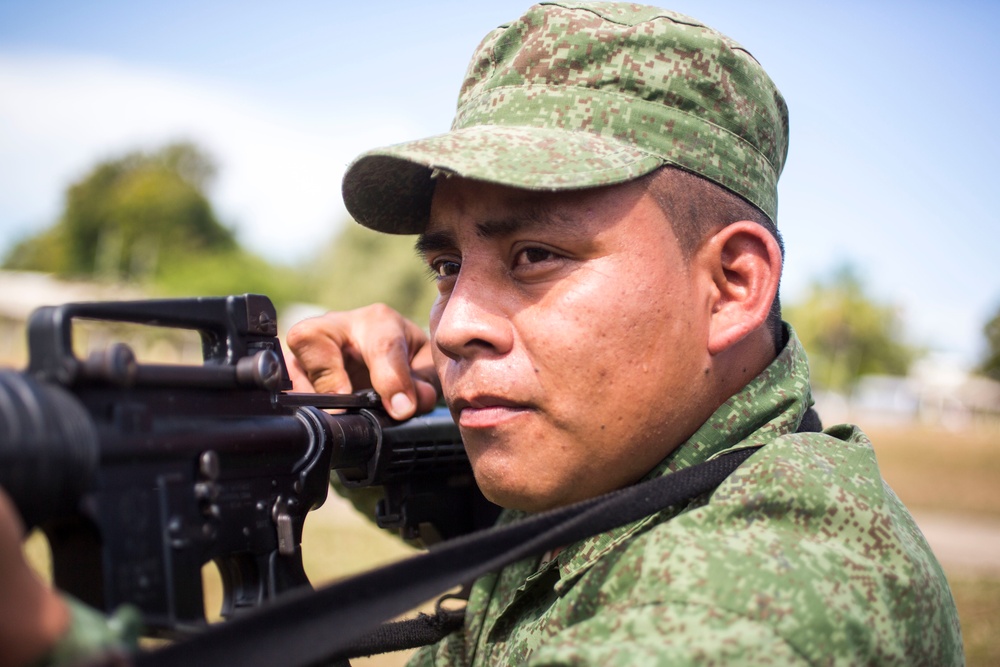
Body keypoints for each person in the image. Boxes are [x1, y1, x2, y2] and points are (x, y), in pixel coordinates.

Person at [1, 2, 964, 665]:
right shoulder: (638, 468)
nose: (454, 323)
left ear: (732, 284)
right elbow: (487, 517)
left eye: (536, 256)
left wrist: (49, 640)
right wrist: (343, 434)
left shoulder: (773, 593)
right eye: (448, 266)